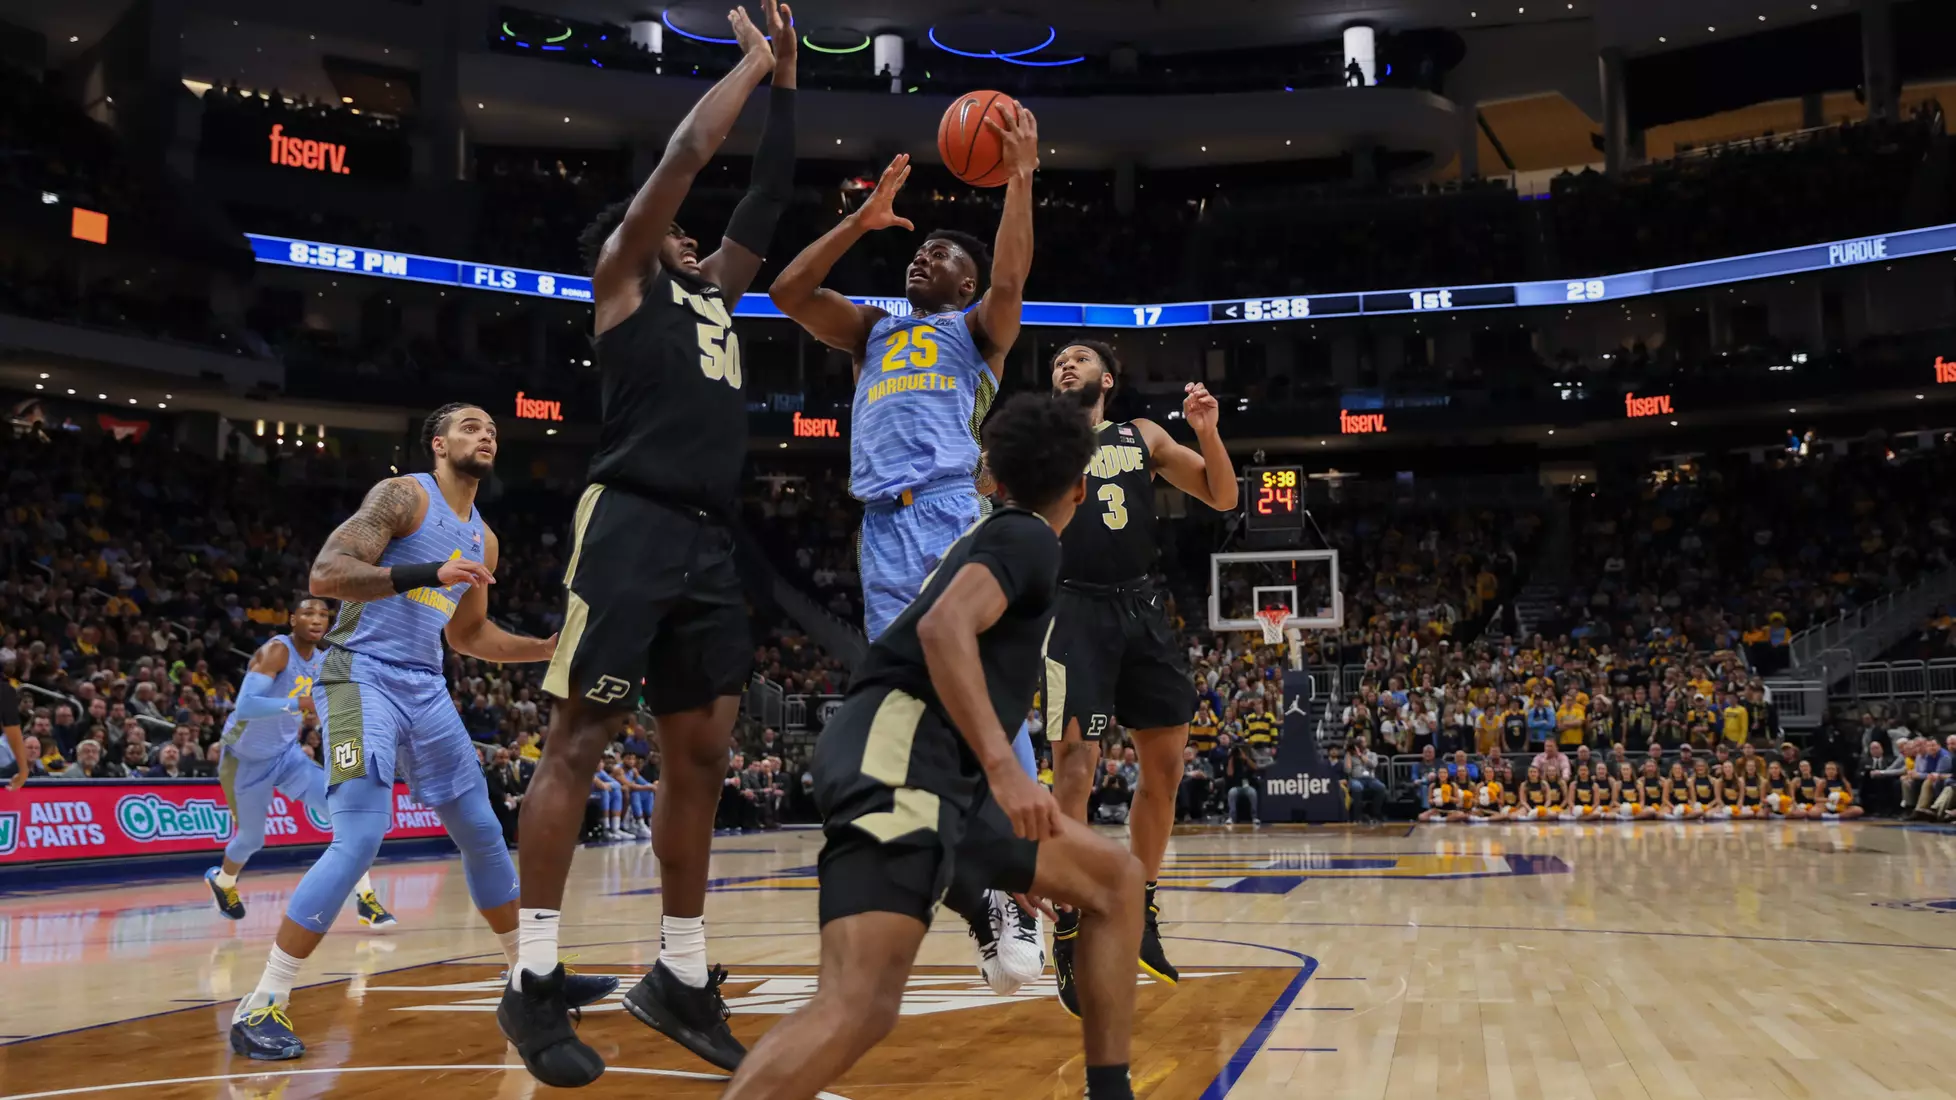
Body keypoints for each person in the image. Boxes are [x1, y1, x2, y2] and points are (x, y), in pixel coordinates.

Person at [500, 4, 798, 1084]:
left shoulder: (716, 295)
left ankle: (680, 969)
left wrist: (794, 86)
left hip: (712, 543)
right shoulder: (625, 279)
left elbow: (767, 190)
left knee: (704, 756)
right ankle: (533, 975)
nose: (696, 231)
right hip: (629, 518)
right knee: (581, 734)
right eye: (679, 226)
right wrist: (750, 65)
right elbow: (687, 152)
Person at [717, 394, 1146, 1100]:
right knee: (857, 1005)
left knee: (1113, 881)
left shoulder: (1002, 533)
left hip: (938, 773)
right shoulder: (1027, 536)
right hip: (899, 755)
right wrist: (1010, 773)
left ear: (988, 477)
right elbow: (943, 629)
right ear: (1081, 486)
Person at [767, 98, 1047, 993]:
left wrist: (1019, 179)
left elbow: (1011, 284)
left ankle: (1025, 877)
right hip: (881, 527)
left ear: (963, 287)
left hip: (948, 513)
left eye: (945, 256)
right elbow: (786, 295)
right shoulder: (873, 333)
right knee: (909, 693)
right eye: (920, 250)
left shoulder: (973, 336)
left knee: (985, 680)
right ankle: (977, 888)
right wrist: (859, 219)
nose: (925, 256)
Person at [228, 404, 597, 1062]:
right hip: (359, 675)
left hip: (424, 684)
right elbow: (327, 575)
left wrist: (546, 646)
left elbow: (468, 634)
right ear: (437, 443)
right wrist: (427, 572)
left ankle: (530, 980)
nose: (485, 434)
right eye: (470, 426)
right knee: (361, 837)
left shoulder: (484, 540)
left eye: (491, 429)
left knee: (484, 832)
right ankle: (263, 1001)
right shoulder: (403, 497)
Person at [1039, 338, 1237, 1003]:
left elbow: (1221, 494)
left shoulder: (1142, 434)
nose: (1066, 364)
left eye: (1079, 358)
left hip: (1143, 610)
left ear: (1108, 378)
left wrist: (1207, 432)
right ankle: (1069, 923)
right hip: (1072, 612)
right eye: (1058, 360)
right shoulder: (1044, 435)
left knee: (1167, 771)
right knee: (1075, 768)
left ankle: (1140, 906)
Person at [203, 599, 392, 924]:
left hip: (287, 755)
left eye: (323, 614)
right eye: (308, 613)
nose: (316, 619)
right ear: (292, 619)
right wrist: (299, 703)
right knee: (251, 839)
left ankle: (366, 899)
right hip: (243, 759)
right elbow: (245, 707)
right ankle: (223, 882)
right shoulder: (277, 651)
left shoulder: (322, 662)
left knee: (346, 819)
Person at [1344, 737, 1386, 823]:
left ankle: (1375, 814)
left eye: (1362, 742)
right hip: (1356, 779)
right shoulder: (1349, 756)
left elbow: (1373, 765)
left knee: (1381, 787)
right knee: (1357, 787)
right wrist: (1348, 755)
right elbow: (1347, 771)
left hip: (1370, 779)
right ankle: (1357, 816)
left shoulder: (1372, 754)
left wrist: (1360, 755)